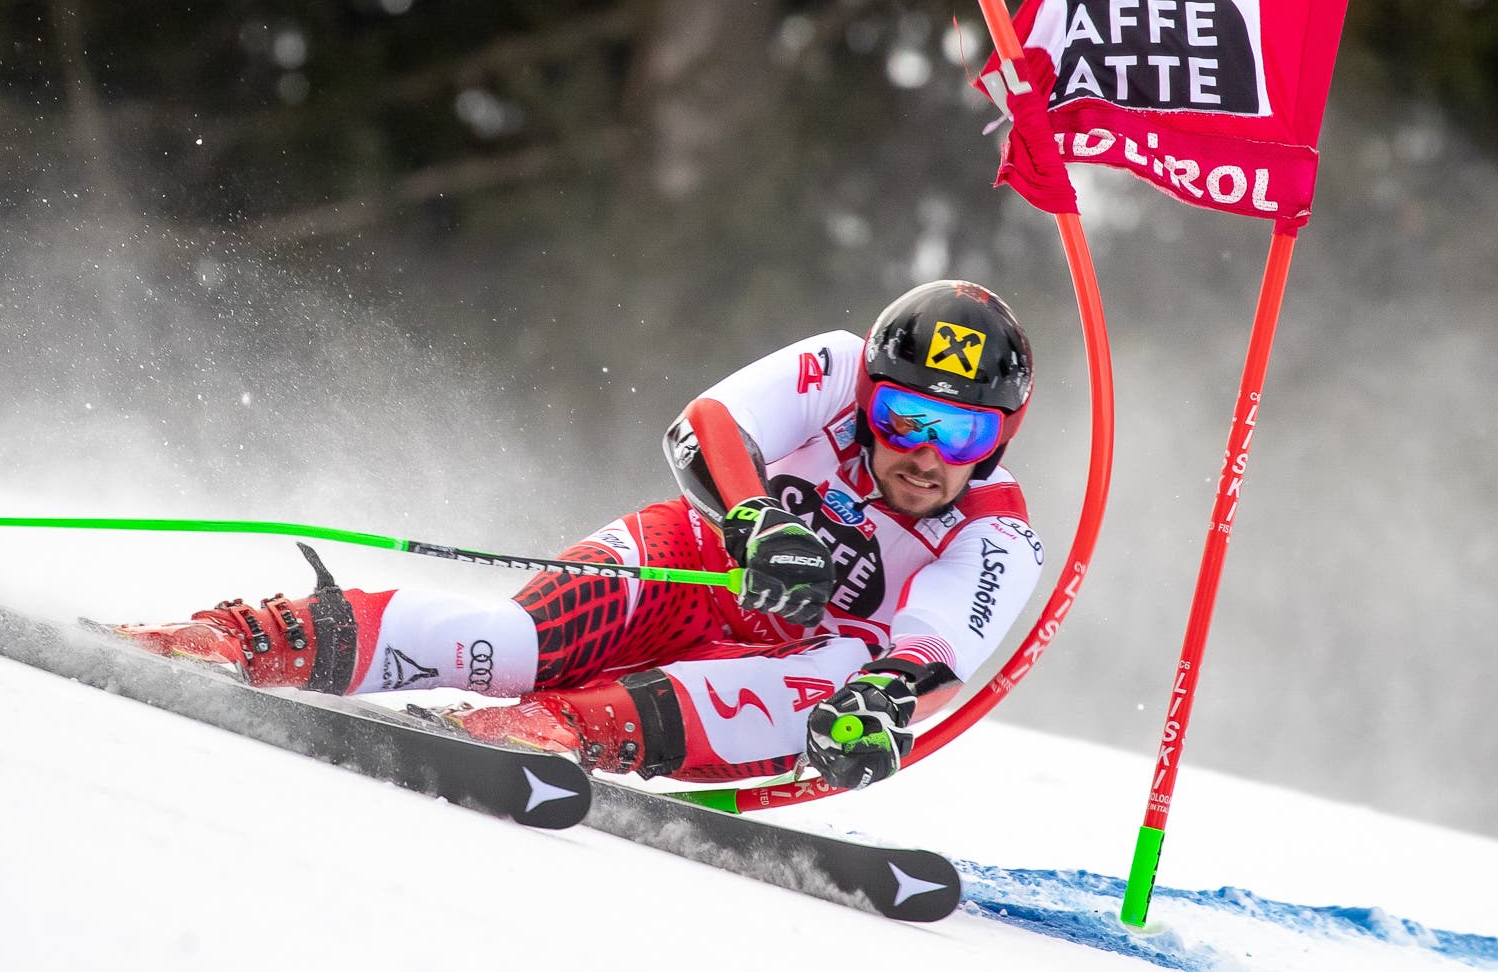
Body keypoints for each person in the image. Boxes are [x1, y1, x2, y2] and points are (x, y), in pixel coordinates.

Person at [114, 280, 1044, 790]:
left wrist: (879, 704)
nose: (926, 454)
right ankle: (255, 636)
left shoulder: (997, 533)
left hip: (787, 665)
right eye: (904, 417)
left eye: (963, 433)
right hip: (691, 566)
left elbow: (936, 648)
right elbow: (707, 426)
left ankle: (560, 730)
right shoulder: (835, 366)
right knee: (514, 643)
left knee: (840, 680)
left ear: (1002, 437)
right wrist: (755, 519)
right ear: (869, 395)